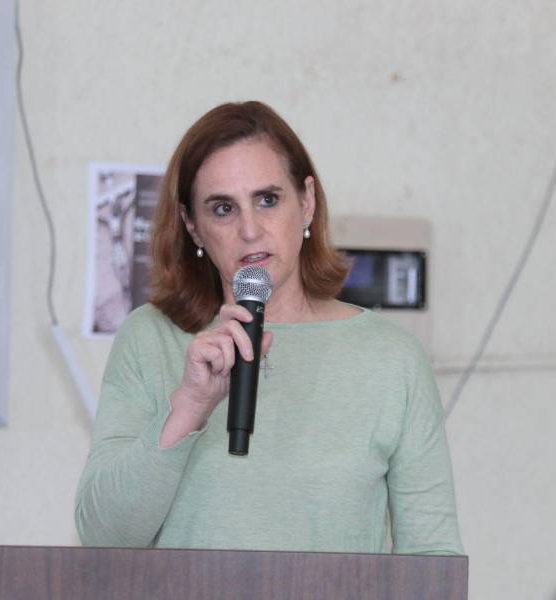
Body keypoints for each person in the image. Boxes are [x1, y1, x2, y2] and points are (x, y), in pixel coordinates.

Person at [75, 101, 463, 555]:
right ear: (193, 228)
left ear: (307, 203)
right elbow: (104, 536)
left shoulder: (392, 358)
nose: (250, 230)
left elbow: (432, 558)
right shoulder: (150, 338)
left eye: (267, 199)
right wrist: (190, 405)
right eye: (222, 208)